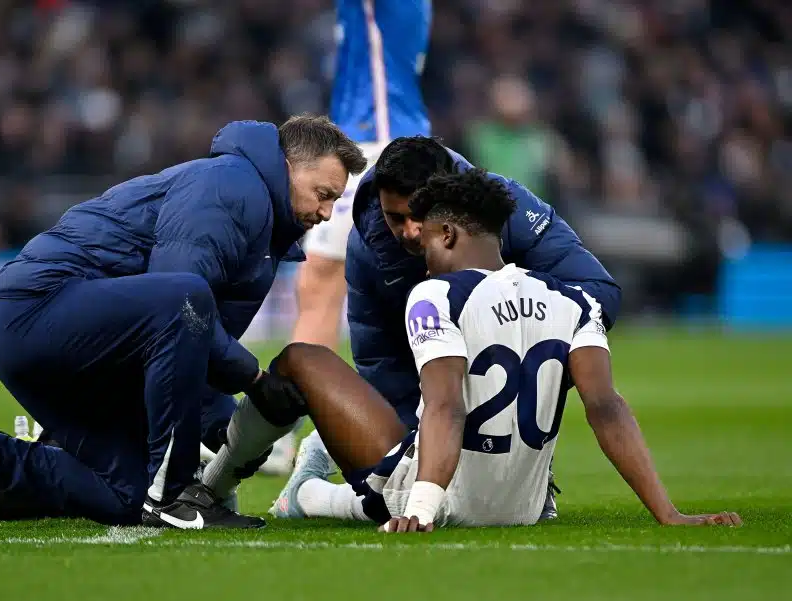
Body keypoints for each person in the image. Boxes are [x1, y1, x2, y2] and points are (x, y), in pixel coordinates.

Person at [0, 116, 367, 529]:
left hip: (62, 338)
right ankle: (173, 497)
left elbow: (186, 346)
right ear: (287, 166)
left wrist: (228, 427)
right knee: (183, 296)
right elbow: (178, 304)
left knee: (126, 497)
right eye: (323, 193)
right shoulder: (232, 184)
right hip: (39, 311)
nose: (328, 213)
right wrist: (253, 379)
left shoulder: (258, 216)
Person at [267, 170, 742, 530]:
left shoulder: (435, 294)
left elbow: (446, 406)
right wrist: (669, 514)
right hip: (525, 509)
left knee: (302, 358)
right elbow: (607, 408)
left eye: (426, 242)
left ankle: (286, 489)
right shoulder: (575, 301)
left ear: (448, 235)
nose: (422, 259)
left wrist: (422, 510)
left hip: (436, 494)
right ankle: (313, 489)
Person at [272, 135, 622, 522]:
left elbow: (598, 292)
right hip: (429, 379)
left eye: (417, 216)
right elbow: (381, 366)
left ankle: (526, 468)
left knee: (442, 485)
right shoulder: (368, 251)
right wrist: (415, 457)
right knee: (402, 491)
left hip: (508, 356)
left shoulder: (505, 207)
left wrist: (527, 308)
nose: (409, 232)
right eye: (395, 218)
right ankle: (310, 486)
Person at [260, 0, 433, 475]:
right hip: (393, 133)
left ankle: (278, 435)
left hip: (376, 137)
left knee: (321, 283)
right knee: (396, 281)